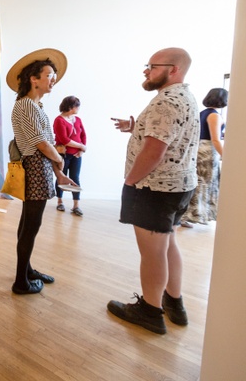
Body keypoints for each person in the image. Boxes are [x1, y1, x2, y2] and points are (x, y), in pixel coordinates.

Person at [108, 47, 199, 334]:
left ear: (173, 70)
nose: (146, 71)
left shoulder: (165, 102)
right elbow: (169, 136)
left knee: (152, 253)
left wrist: (130, 182)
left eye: (152, 66)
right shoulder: (185, 96)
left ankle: (149, 310)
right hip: (179, 186)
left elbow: (154, 151)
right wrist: (136, 128)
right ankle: (174, 303)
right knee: (167, 243)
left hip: (154, 188)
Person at [6, 48, 75, 295]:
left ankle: (26, 270)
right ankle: (20, 281)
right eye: (49, 74)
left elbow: (46, 143)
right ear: (33, 79)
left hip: (40, 167)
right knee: (30, 225)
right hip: (35, 167)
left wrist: (58, 173)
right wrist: (60, 160)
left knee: (29, 223)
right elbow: (41, 143)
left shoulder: (36, 106)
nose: (53, 79)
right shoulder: (26, 105)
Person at [180, 88, 228, 227]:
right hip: (206, 152)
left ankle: (191, 215)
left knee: (198, 182)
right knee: (204, 183)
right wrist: (226, 157)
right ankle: (192, 215)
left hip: (198, 149)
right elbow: (215, 139)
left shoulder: (201, 113)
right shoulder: (214, 115)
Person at [53, 96, 87, 216]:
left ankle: (76, 205)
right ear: (70, 107)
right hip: (63, 154)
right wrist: (81, 146)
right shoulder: (59, 120)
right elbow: (64, 139)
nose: (78, 108)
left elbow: (83, 135)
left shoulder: (77, 120)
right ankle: (59, 201)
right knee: (61, 177)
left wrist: (82, 150)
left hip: (76, 155)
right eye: (77, 105)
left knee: (75, 178)